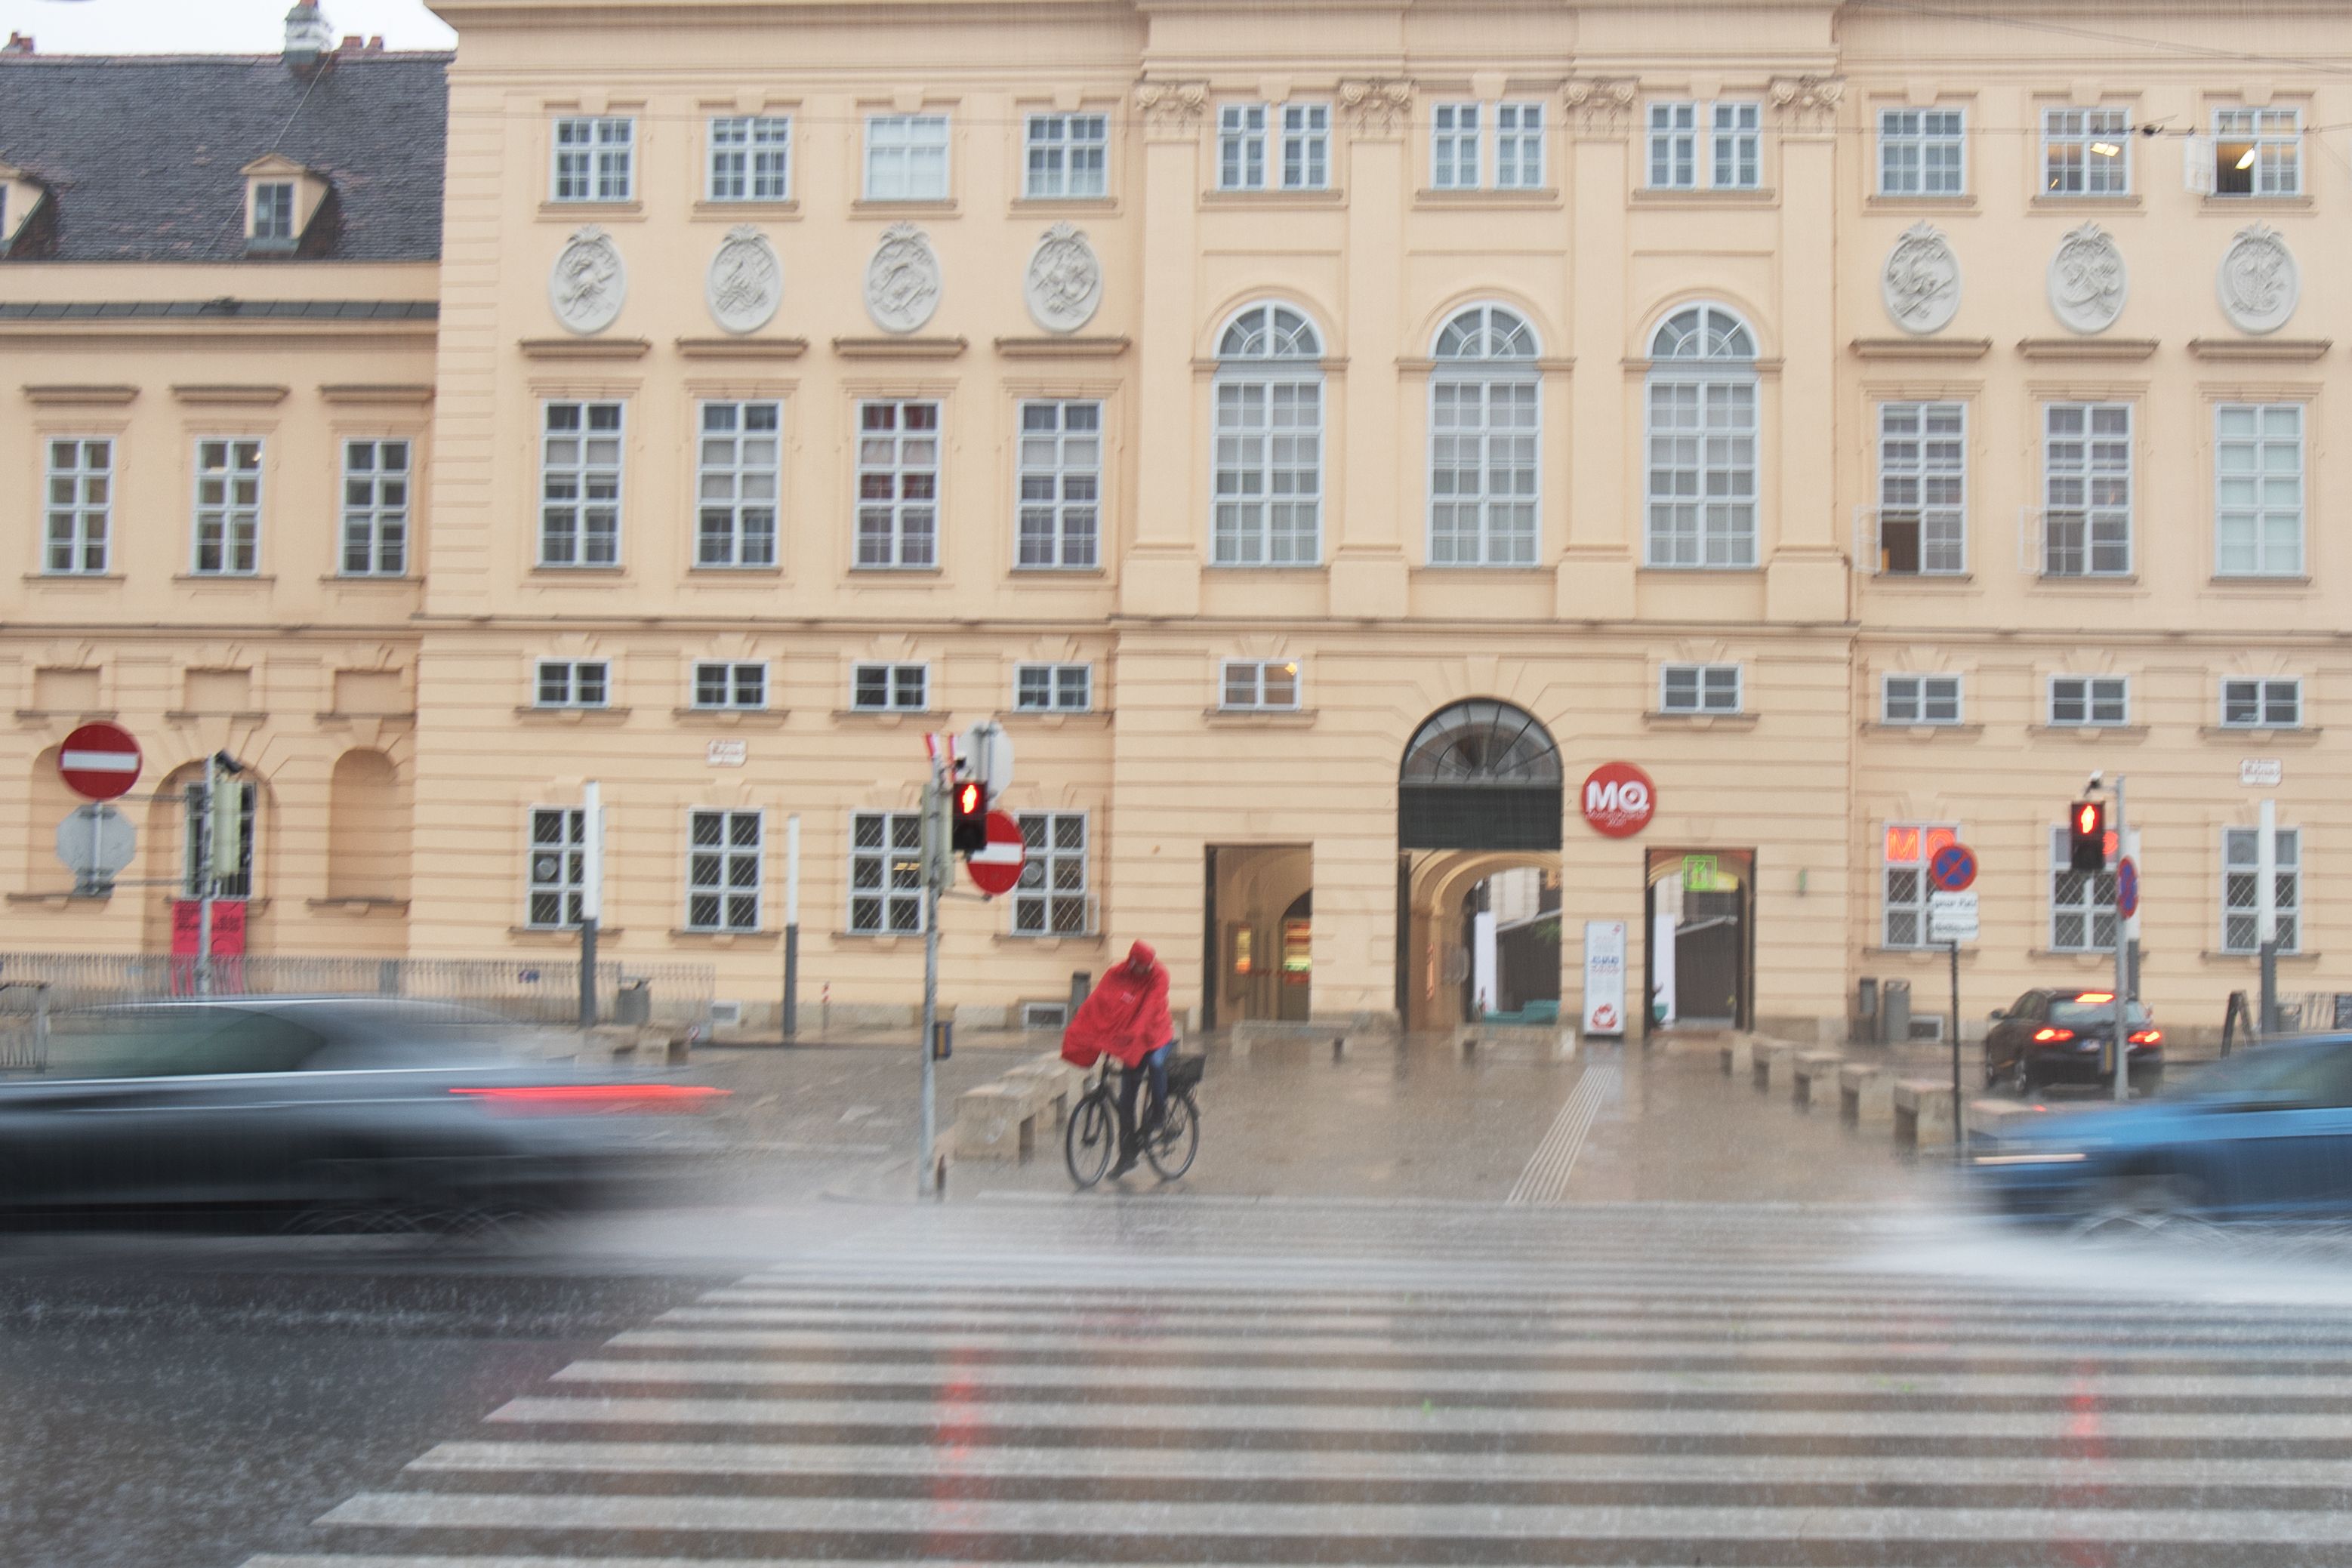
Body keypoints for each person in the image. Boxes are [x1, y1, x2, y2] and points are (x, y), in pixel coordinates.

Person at [1059, 940, 1173, 1177]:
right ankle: (1127, 1157)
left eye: (1148, 966)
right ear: (1132, 962)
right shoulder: (1117, 974)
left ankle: (1160, 1114)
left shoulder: (1159, 975)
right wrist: (1084, 1027)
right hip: (1132, 1040)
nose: (1145, 969)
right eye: (1141, 966)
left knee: (1156, 1064)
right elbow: (1100, 1001)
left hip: (1156, 1035)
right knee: (1125, 1101)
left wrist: (1132, 1033)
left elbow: (1150, 1007)